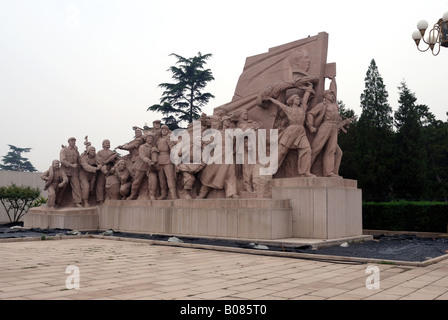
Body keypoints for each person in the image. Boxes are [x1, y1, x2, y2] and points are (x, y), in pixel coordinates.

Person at [269, 94, 315, 177]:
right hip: (291, 130)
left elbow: (305, 99)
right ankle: (270, 170)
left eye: (298, 99)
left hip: (301, 131)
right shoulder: (288, 109)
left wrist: (308, 89)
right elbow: (279, 104)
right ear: (292, 100)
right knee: (282, 151)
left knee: (307, 149)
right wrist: (270, 98)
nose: (299, 100)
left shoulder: (303, 109)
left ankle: (305, 172)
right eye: (297, 99)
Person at [306, 79, 342, 178]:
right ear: (325, 96)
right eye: (330, 94)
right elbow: (310, 113)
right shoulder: (322, 105)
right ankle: (306, 170)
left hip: (334, 127)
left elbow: (334, 90)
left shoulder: (335, 105)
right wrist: (310, 126)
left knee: (331, 150)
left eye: (332, 94)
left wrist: (333, 80)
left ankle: (329, 172)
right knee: (315, 148)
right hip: (325, 126)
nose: (332, 95)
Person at [198, 118, 239, 199]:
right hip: (218, 154)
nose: (228, 122)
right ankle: (202, 194)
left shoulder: (231, 132)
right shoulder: (217, 133)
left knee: (231, 174)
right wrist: (205, 142)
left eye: (229, 121)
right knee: (210, 173)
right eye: (226, 120)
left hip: (228, 154)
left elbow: (238, 138)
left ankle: (232, 193)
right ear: (223, 122)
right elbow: (210, 142)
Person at [127, 133, 159, 200]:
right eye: (148, 138)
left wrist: (154, 158)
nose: (150, 139)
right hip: (142, 165)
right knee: (137, 181)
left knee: (153, 180)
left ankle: (152, 195)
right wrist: (148, 161)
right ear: (146, 139)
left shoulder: (154, 147)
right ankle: (133, 195)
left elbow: (155, 157)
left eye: (151, 138)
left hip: (151, 167)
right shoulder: (142, 146)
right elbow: (142, 156)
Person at [155, 125, 177, 200]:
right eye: (162, 130)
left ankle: (173, 194)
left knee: (170, 177)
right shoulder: (158, 139)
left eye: (165, 130)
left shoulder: (170, 138)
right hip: (159, 159)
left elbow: (174, 146)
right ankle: (163, 194)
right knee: (161, 179)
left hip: (168, 159)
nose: (164, 131)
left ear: (168, 131)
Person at [59, 137, 83, 207]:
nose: (73, 142)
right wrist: (71, 165)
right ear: (68, 142)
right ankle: (57, 202)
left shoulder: (76, 151)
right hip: (65, 171)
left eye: (74, 141)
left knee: (76, 187)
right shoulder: (64, 150)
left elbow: (79, 161)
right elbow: (62, 160)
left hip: (74, 172)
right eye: (72, 141)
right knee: (63, 186)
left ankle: (77, 202)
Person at [96, 139, 118, 204]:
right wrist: (103, 166)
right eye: (106, 143)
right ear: (103, 144)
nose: (107, 144)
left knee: (109, 184)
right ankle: (100, 199)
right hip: (101, 170)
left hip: (110, 169)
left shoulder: (112, 153)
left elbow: (117, 161)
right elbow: (98, 161)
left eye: (108, 143)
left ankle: (109, 197)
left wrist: (114, 166)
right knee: (100, 185)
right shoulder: (99, 152)